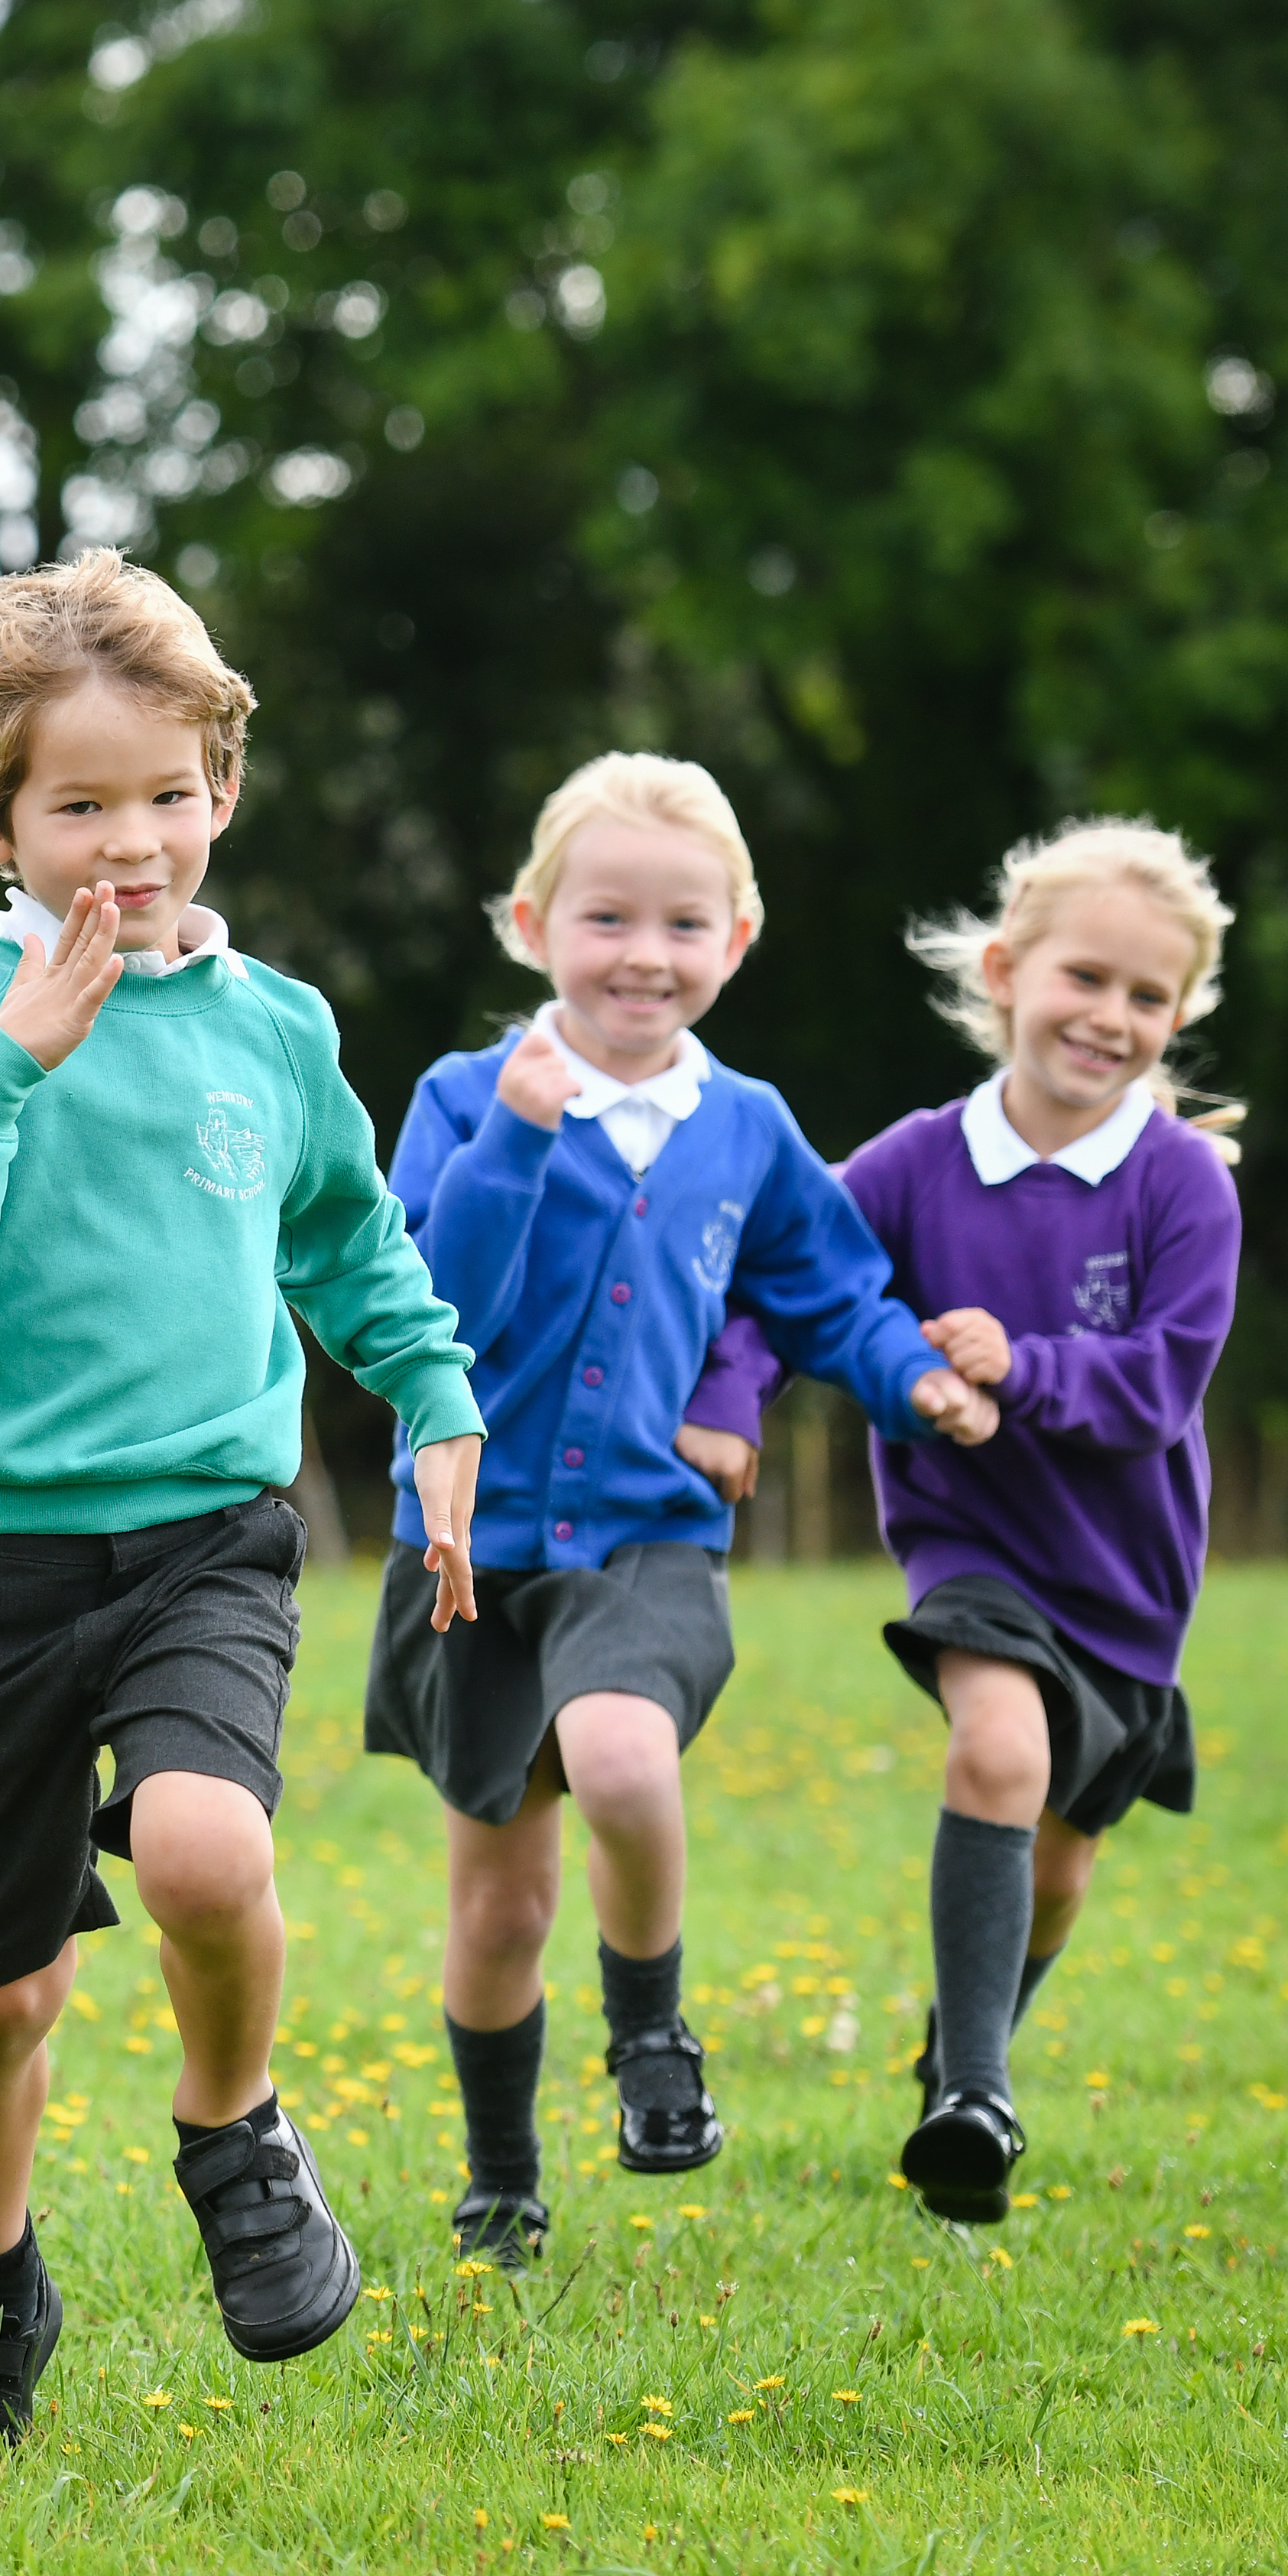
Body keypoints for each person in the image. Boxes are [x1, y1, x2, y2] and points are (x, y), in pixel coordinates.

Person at [0, 549, 488, 2436]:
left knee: (205, 1847)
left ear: (220, 790)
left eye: (169, 795)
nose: (132, 841)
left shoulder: (272, 1027)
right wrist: (10, 1069)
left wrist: (434, 1394)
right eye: (80, 805)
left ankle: (233, 2128)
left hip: (205, 1532)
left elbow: (350, 1247)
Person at [365, 754, 994, 2272]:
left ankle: (649, 2034)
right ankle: (500, 2179)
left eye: (680, 921)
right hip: (466, 1538)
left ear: (736, 936)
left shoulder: (745, 1126)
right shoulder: (465, 1095)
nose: (641, 952)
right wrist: (516, 1137)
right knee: (499, 1901)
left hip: (645, 1531)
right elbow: (425, 1297)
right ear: (530, 922)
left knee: (623, 1750)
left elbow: (826, 1285)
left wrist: (906, 1373)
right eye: (603, 916)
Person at [688, 821, 1238, 2224]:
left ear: (1180, 1016)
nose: (1111, 1018)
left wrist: (1024, 1364)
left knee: (1057, 1871)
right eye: (1085, 977)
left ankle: (965, 2035)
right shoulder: (914, 1165)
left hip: (1127, 1583)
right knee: (1000, 1745)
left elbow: (1161, 1383)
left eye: (1148, 996)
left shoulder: (1186, 1185)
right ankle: (974, 2103)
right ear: (1005, 972)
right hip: (969, 1547)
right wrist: (736, 1402)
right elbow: (784, 1288)